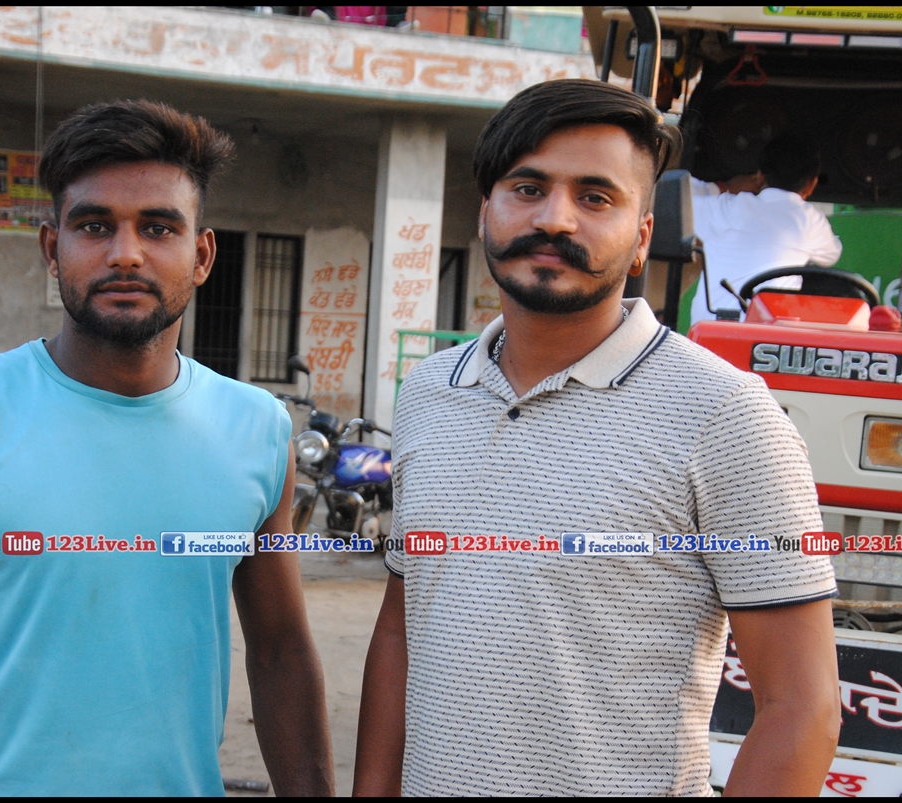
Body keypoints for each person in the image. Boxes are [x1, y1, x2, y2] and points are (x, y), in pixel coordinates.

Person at [0, 100, 334, 796]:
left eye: (158, 227)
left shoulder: (259, 431)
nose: (125, 253)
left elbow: (282, 653)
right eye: (94, 225)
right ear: (53, 249)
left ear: (202, 255)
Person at [353, 79, 841, 796]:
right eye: (528, 188)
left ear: (641, 238)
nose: (555, 218)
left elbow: (802, 707)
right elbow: (404, 626)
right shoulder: (430, 393)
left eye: (595, 197)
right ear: (485, 210)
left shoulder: (726, 416)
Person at [689, 131, 843, 324]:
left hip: (711, 329)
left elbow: (679, 192)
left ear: (760, 176)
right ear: (812, 184)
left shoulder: (725, 208)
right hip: (770, 333)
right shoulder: (810, 220)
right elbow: (832, 255)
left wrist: (726, 186)